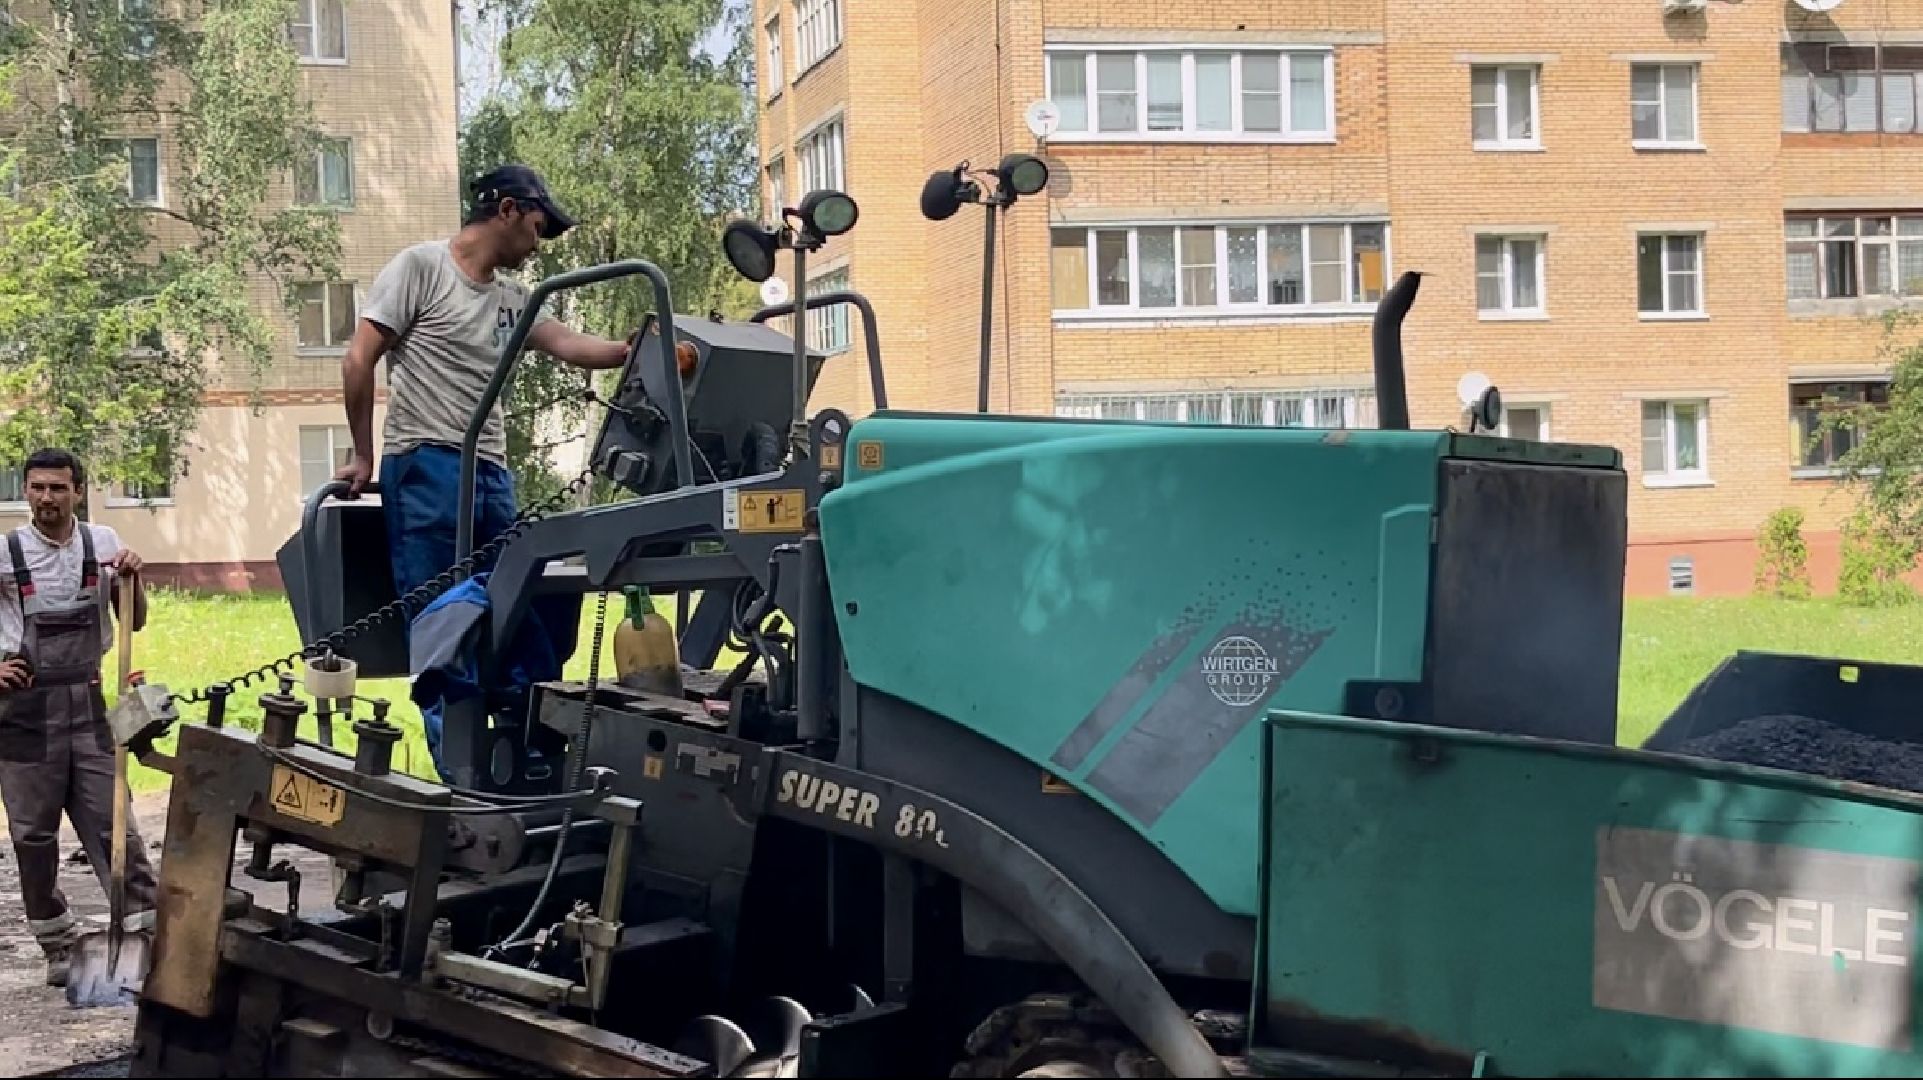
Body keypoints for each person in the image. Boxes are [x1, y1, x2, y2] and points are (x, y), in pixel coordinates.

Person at [334, 164, 632, 780]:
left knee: (525, 595)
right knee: (444, 617)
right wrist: (364, 454)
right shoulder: (421, 269)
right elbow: (359, 358)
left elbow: (570, 344)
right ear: (505, 209)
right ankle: (463, 782)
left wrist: (639, 348)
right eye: (538, 226)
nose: (539, 242)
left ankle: (528, 746)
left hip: (490, 471)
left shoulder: (513, 300)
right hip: (426, 464)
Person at [0, 448, 156, 987]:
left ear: (78, 492)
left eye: (57, 489)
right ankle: (58, 943)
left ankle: (144, 936)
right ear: (27, 492)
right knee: (33, 836)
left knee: (115, 824)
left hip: (88, 702)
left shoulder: (104, 544)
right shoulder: (6, 552)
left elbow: (134, 620)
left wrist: (134, 581)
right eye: (37, 488)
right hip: (24, 712)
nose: (46, 499)